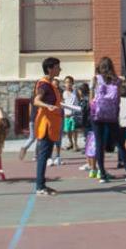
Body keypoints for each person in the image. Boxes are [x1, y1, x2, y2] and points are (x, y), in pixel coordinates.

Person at [91, 56, 126, 183]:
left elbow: (91, 98)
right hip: (112, 115)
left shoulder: (95, 79)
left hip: (97, 115)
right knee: (120, 143)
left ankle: (102, 174)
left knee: (99, 144)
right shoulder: (117, 80)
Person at [34, 57, 63, 196]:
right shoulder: (44, 85)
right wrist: (48, 106)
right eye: (58, 67)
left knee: (45, 157)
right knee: (43, 157)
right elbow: (36, 101)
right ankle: (40, 187)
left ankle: (42, 185)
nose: (60, 69)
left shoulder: (51, 85)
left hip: (52, 126)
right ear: (50, 69)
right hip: (45, 126)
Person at [62, 76, 78, 151]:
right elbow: (61, 103)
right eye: (66, 82)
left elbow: (80, 100)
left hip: (74, 114)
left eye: (69, 82)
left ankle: (75, 144)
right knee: (68, 130)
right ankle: (70, 143)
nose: (68, 84)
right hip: (67, 115)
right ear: (64, 84)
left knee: (74, 130)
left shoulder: (75, 92)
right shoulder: (63, 93)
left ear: (72, 83)